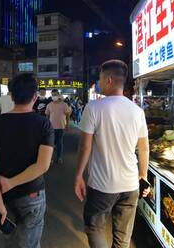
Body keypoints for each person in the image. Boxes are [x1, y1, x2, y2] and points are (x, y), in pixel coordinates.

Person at [74, 60, 150, 248]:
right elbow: (144, 148)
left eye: (99, 78)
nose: (98, 82)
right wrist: (143, 176)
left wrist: (78, 176)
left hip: (102, 186)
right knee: (123, 235)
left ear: (108, 80)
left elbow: (85, 147)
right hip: (130, 185)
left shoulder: (93, 108)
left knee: (95, 228)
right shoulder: (137, 111)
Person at [0, 74, 54, 248]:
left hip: (4, 195)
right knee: (30, 243)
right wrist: (12, 182)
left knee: (10, 240)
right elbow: (43, 165)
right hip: (32, 194)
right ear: (35, 97)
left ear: (11, 96)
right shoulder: (43, 124)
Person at [45, 89, 72, 164]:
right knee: (51, 144)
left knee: (59, 143)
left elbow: (68, 116)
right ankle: (50, 159)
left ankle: (59, 157)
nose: (54, 96)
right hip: (51, 128)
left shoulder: (64, 105)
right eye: (53, 95)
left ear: (59, 95)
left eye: (55, 95)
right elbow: (47, 116)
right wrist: (47, 126)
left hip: (61, 127)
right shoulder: (49, 105)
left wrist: (67, 125)